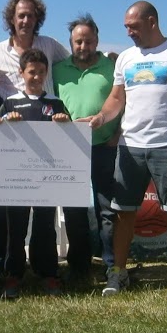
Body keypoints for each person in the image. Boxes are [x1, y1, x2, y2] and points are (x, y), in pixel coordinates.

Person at [87, 0, 167, 297]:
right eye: (126, 27)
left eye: (134, 26)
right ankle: (118, 273)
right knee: (123, 213)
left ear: (152, 21)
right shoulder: (126, 58)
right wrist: (102, 117)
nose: (129, 32)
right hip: (130, 148)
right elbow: (117, 99)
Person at [0, 49, 72, 298]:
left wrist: (64, 121)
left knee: (45, 227)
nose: (36, 76)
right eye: (31, 72)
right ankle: (13, 275)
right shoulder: (10, 103)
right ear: (21, 73)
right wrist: (2, 121)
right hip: (17, 179)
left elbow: (69, 138)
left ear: (46, 73)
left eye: (40, 72)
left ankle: (48, 274)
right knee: (15, 228)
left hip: (46, 178)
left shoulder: (55, 103)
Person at [53, 15, 119, 279]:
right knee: (74, 211)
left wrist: (118, 134)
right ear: (71, 43)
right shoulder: (57, 69)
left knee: (107, 209)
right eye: (78, 42)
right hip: (70, 149)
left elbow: (126, 102)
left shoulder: (112, 66)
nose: (83, 46)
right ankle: (79, 266)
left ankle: (112, 263)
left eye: (88, 41)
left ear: (97, 41)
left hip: (106, 145)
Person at [0, 0, 69, 98]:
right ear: (12, 19)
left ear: (36, 19)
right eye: (21, 16)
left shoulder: (50, 45)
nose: (26, 21)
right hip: (13, 113)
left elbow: (72, 64)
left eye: (30, 16)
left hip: (47, 112)